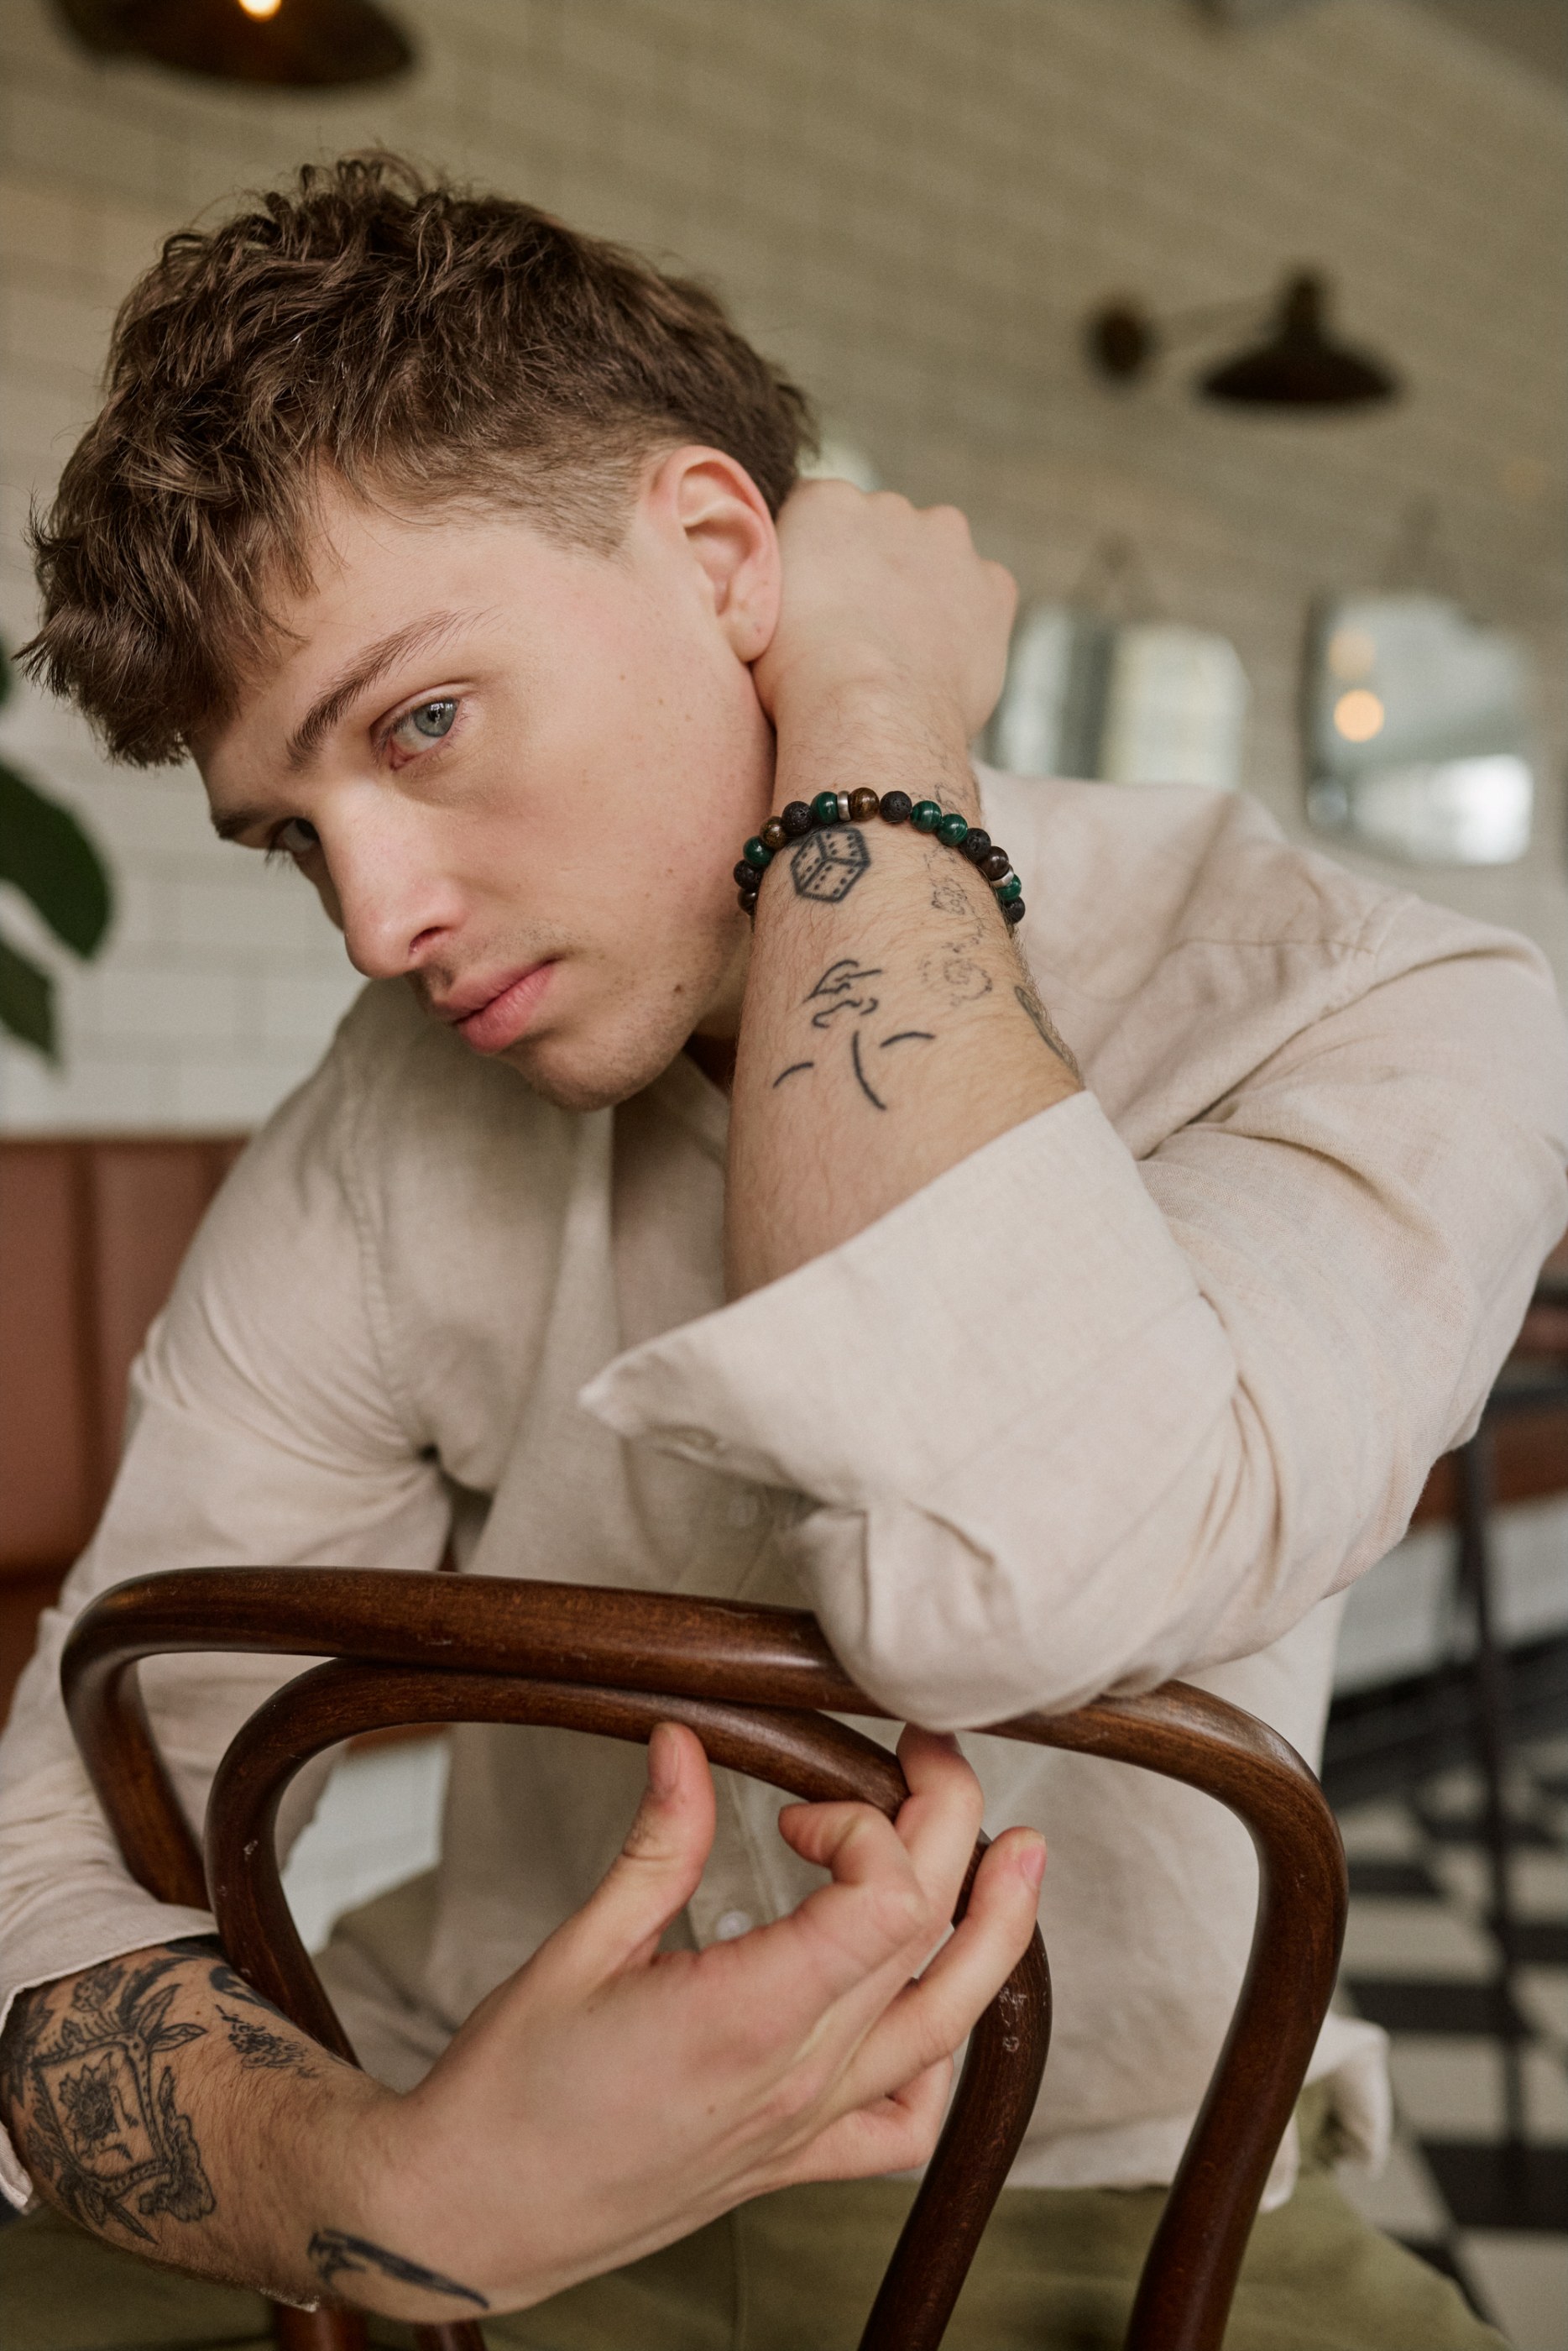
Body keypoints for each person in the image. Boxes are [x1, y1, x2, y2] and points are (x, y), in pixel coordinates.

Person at [1, 156, 1562, 2351]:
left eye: (420, 723)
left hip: (1110, 2198)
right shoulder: (390, 1098)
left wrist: (869, 737)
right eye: (294, 836)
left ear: (725, 556)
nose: (372, 918)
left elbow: (990, 1575)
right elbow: (73, 1816)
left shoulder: (1368, 1005)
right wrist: (370, 2181)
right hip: (461, 2110)